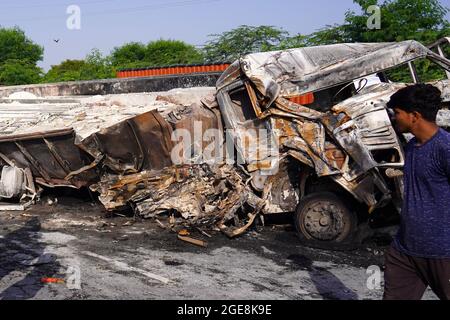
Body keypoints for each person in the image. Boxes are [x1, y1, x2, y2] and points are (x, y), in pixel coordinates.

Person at [383, 84, 450, 300]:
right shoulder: (412, 147)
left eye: (398, 113)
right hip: (406, 250)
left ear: (414, 116)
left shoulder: (445, 148)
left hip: (442, 252)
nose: (394, 118)